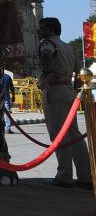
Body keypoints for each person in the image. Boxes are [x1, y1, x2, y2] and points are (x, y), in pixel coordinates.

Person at [38, 17, 93, 188]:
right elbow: (80, 71)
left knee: (58, 134)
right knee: (74, 134)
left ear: (51, 30)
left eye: (42, 28)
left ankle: (64, 175)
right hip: (69, 91)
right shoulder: (68, 47)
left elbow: (46, 54)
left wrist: (46, 72)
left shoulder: (47, 43)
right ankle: (85, 176)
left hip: (54, 89)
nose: (39, 31)